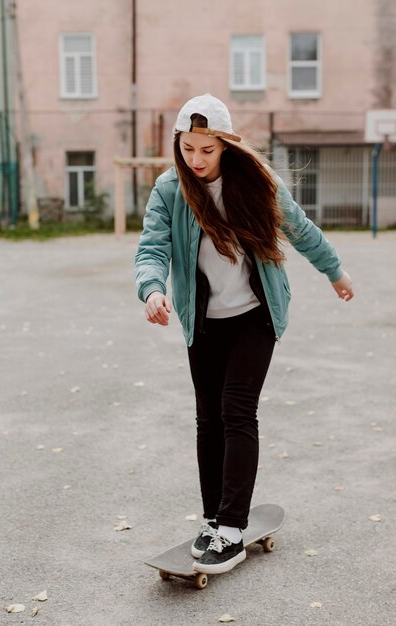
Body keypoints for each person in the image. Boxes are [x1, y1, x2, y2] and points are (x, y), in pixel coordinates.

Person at [134, 94, 354, 575]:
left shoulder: (258, 183)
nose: (196, 160)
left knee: (236, 409)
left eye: (207, 150)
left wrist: (334, 271)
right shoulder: (170, 190)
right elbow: (151, 247)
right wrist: (151, 290)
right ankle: (213, 518)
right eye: (188, 149)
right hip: (204, 321)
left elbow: (300, 229)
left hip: (256, 314)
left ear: (226, 145)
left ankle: (232, 528)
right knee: (207, 419)